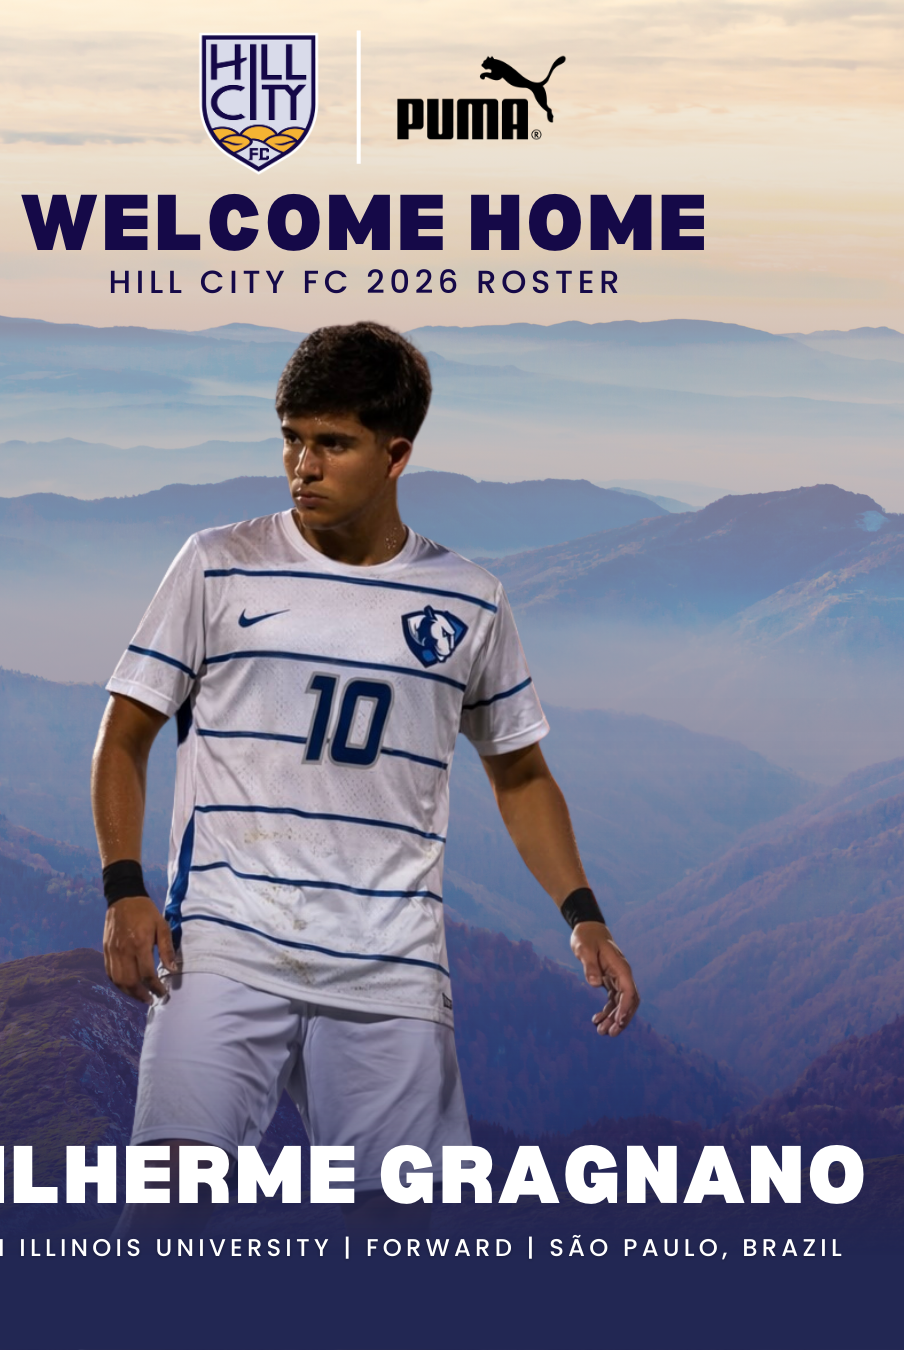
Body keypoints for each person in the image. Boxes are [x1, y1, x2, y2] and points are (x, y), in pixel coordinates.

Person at [92, 321, 639, 1236]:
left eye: (331, 444)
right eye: (291, 439)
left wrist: (584, 916)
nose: (301, 465)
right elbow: (125, 732)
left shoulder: (469, 599)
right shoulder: (216, 563)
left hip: (391, 970)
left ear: (396, 455)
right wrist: (123, 889)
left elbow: (522, 774)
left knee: (406, 1248)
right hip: (223, 949)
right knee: (170, 1206)